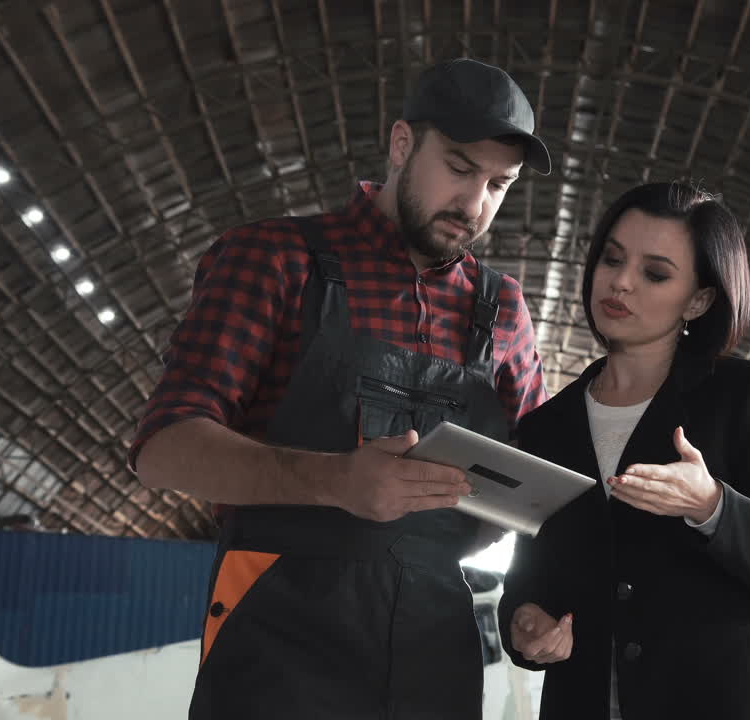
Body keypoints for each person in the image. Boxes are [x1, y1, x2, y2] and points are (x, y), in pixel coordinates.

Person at [130, 58, 552, 719]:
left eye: (500, 184)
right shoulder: (274, 259)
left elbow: (538, 488)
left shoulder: (503, 310)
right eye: (461, 167)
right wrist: (333, 481)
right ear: (402, 143)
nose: (475, 204)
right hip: (277, 648)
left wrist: (546, 598)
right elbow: (164, 447)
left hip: (435, 649)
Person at [496, 182, 750, 719]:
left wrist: (713, 506)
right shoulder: (546, 427)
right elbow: (529, 576)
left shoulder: (745, 395)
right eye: (612, 259)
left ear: (699, 299)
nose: (621, 282)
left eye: (655, 273)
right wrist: (524, 622)